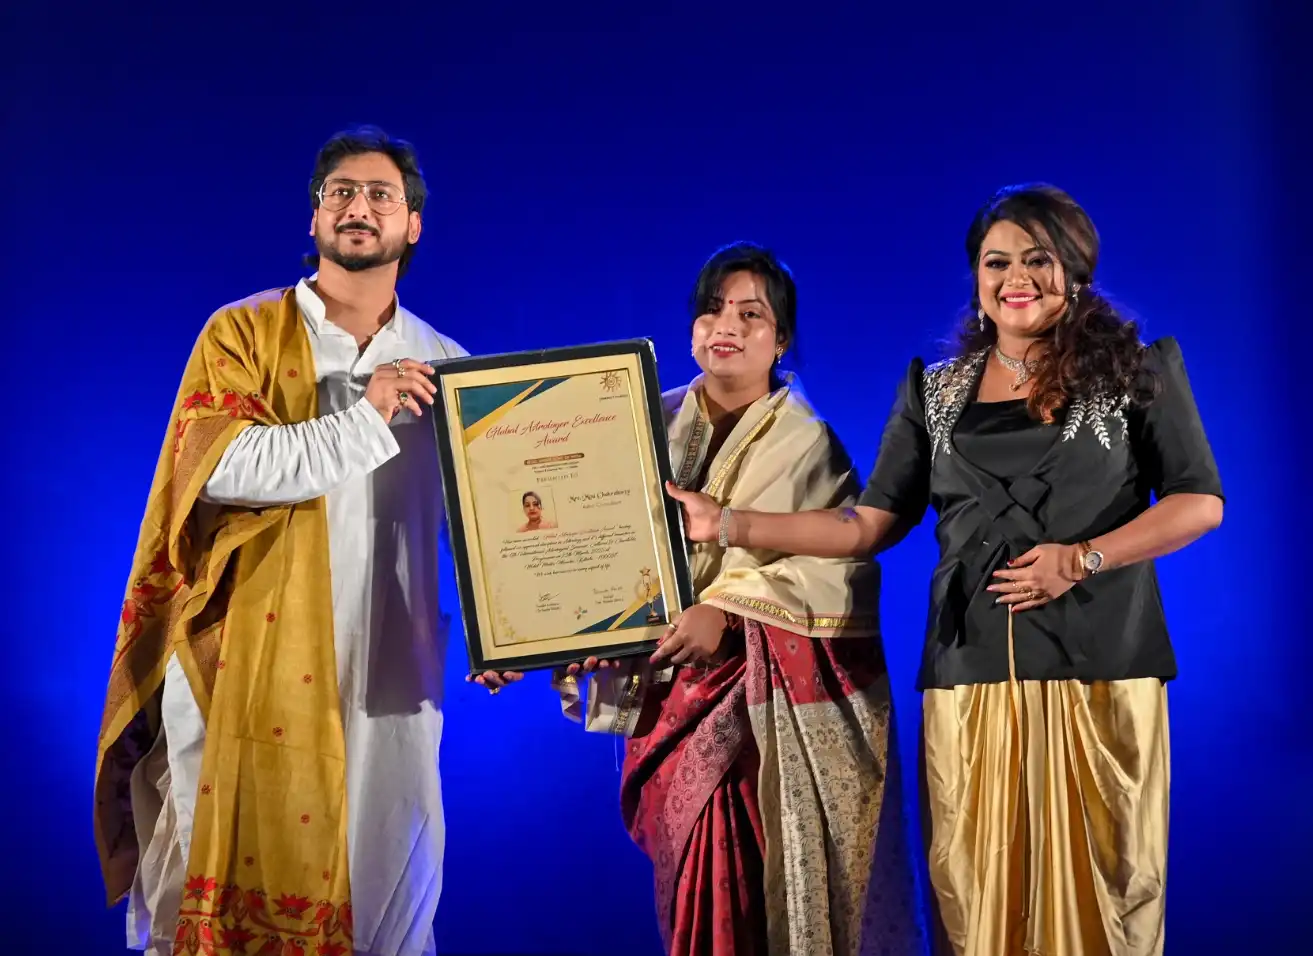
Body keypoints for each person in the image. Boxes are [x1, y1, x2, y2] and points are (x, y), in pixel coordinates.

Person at [667, 186, 1224, 956]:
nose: (1015, 278)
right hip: (968, 676)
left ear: (1074, 270)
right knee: (976, 896)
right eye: (996, 263)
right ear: (975, 278)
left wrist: (1080, 559)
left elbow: (1198, 503)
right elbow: (866, 524)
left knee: (1108, 891)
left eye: (1037, 259)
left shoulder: (1137, 370)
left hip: (1101, 669)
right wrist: (726, 523)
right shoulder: (932, 391)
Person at [94, 125, 519, 956]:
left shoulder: (447, 363)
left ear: (413, 224)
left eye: (381, 195)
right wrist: (367, 417)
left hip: (392, 677)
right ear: (315, 217)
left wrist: (502, 628)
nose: (360, 207)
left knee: (391, 902)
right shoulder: (244, 332)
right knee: (208, 902)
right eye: (341, 193)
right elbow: (221, 468)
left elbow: (475, 527)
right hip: (243, 670)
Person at [552, 243, 925, 956]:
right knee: (693, 895)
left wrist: (726, 611)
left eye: (750, 313)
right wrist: (541, 635)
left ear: (780, 340)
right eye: (712, 308)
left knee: (751, 894)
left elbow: (842, 571)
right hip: (665, 691)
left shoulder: (808, 444)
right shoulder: (634, 424)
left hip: (757, 712)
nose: (725, 324)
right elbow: (588, 544)